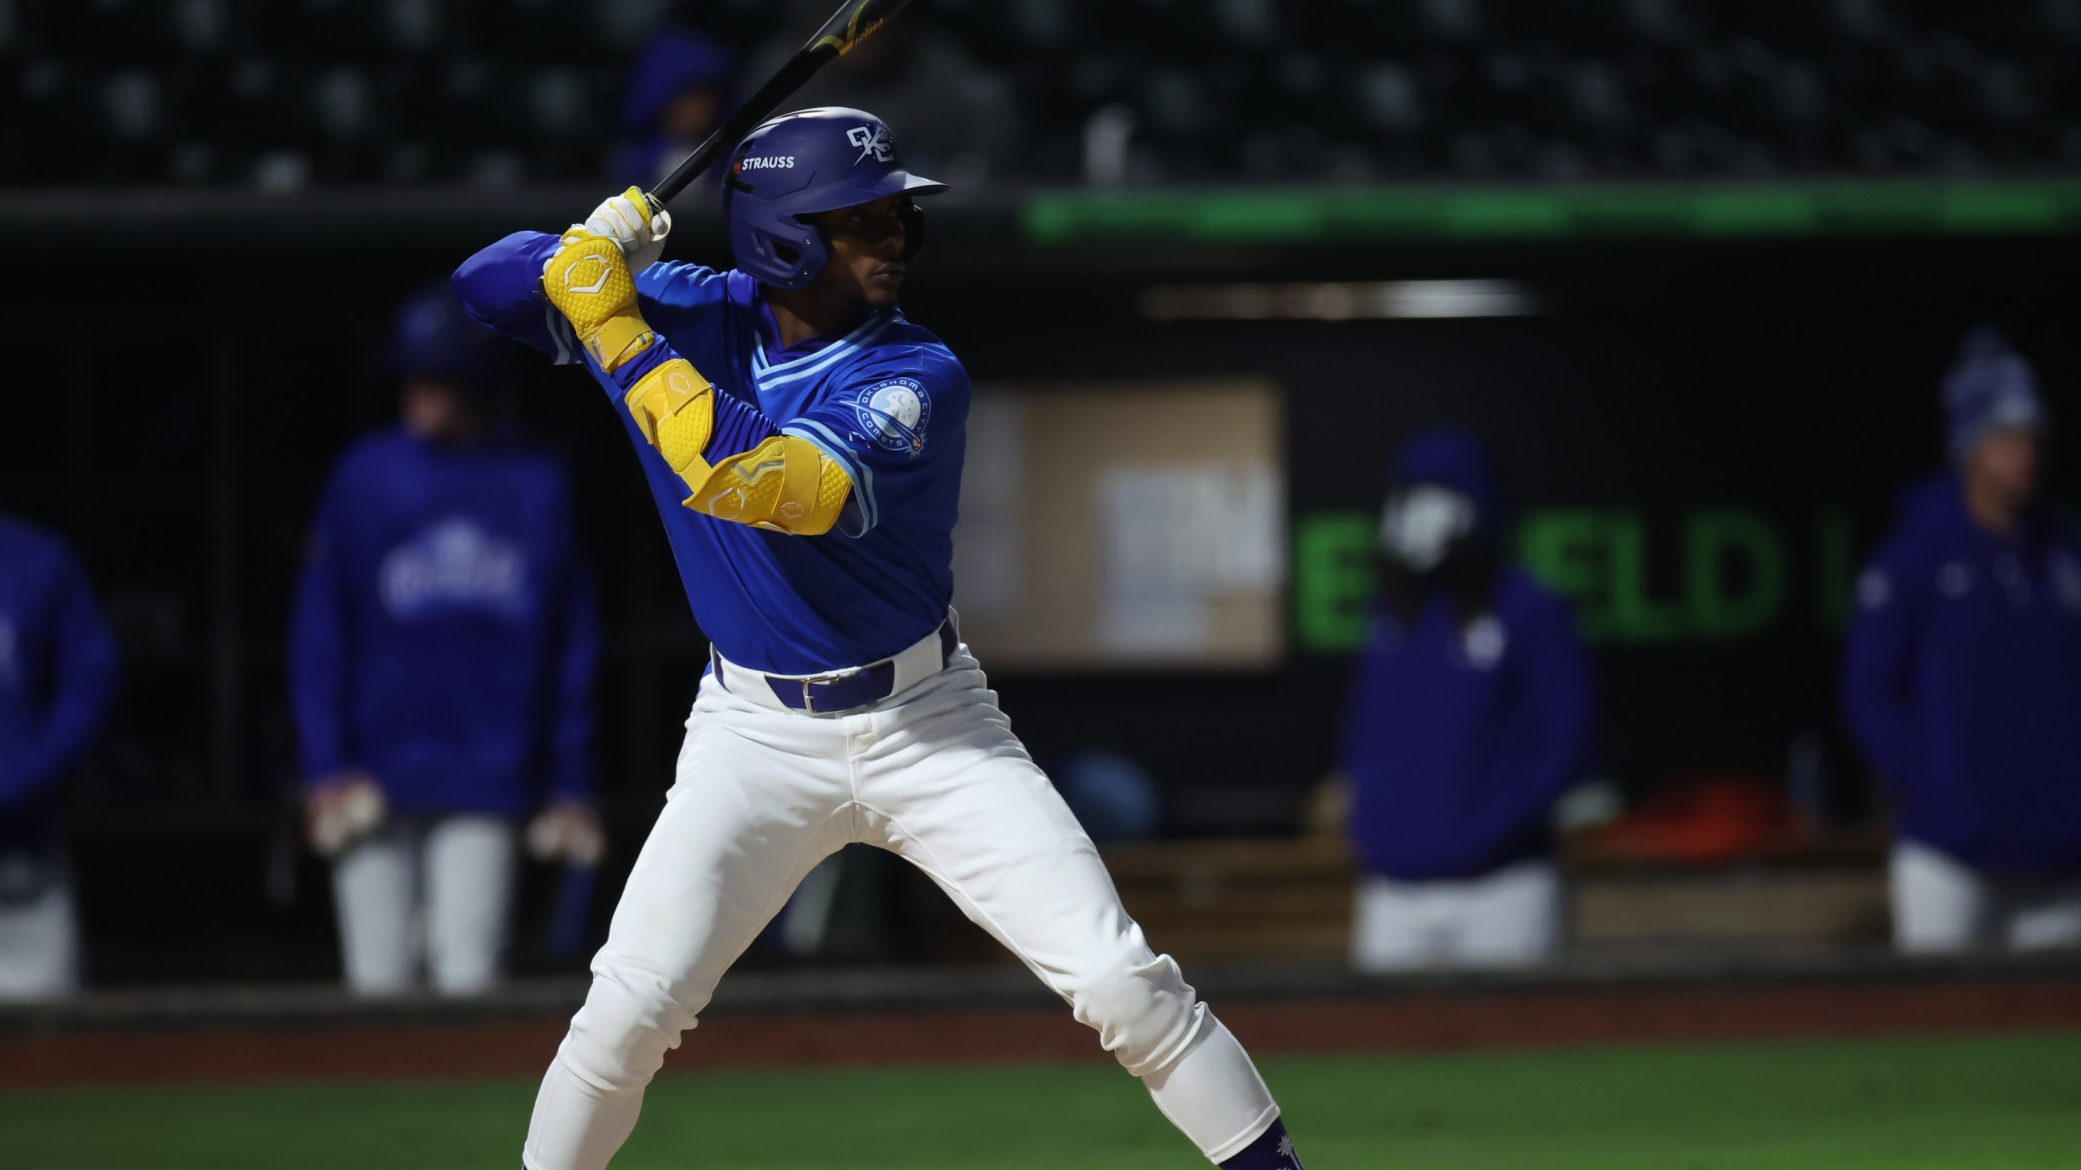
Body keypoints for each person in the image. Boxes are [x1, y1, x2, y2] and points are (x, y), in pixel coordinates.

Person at [452, 107, 1306, 1170]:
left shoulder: (914, 371)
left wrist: (612, 326)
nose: (891, 236)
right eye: (856, 220)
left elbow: (772, 487)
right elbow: (479, 288)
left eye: (894, 216)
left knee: (1121, 983)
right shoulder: (682, 307)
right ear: (779, 238)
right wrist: (590, 245)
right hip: (750, 738)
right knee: (625, 1012)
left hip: (928, 724)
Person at [290, 284, 603, 998]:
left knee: (470, 983)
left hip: (486, 775)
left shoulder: (533, 483)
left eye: (440, 378)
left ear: (480, 383)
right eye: (414, 377)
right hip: (371, 774)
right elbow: (320, 633)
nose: (421, 393)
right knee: (376, 988)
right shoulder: (366, 476)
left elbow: (572, 647)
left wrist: (570, 780)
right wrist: (325, 763)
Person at [1844, 327, 2081, 953]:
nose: (2023, 456)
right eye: (2005, 439)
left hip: (2062, 860)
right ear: (1971, 447)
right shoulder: (1916, 556)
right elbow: (1870, 690)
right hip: (1949, 856)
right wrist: (1936, 787)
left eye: (2032, 438)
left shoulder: (2065, 553)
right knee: (1936, 1009)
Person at [1337, 429, 1596, 972]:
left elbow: (1568, 741)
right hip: (1393, 889)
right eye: (1408, 492)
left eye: (1437, 491)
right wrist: (1372, 820)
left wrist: (1491, 826)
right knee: (1380, 1029)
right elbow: (1369, 736)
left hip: (1503, 888)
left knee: (1515, 1030)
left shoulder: (1531, 609)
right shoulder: (1389, 615)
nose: (1416, 509)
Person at [0, 514, 119, 1001]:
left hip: (21, 871)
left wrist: (23, 776)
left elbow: (91, 679)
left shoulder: (36, 561)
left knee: (43, 1040)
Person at [612, 27, 734, 189]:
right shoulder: (634, 163)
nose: (699, 111)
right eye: (688, 100)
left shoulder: (729, 161)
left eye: (707, 99)